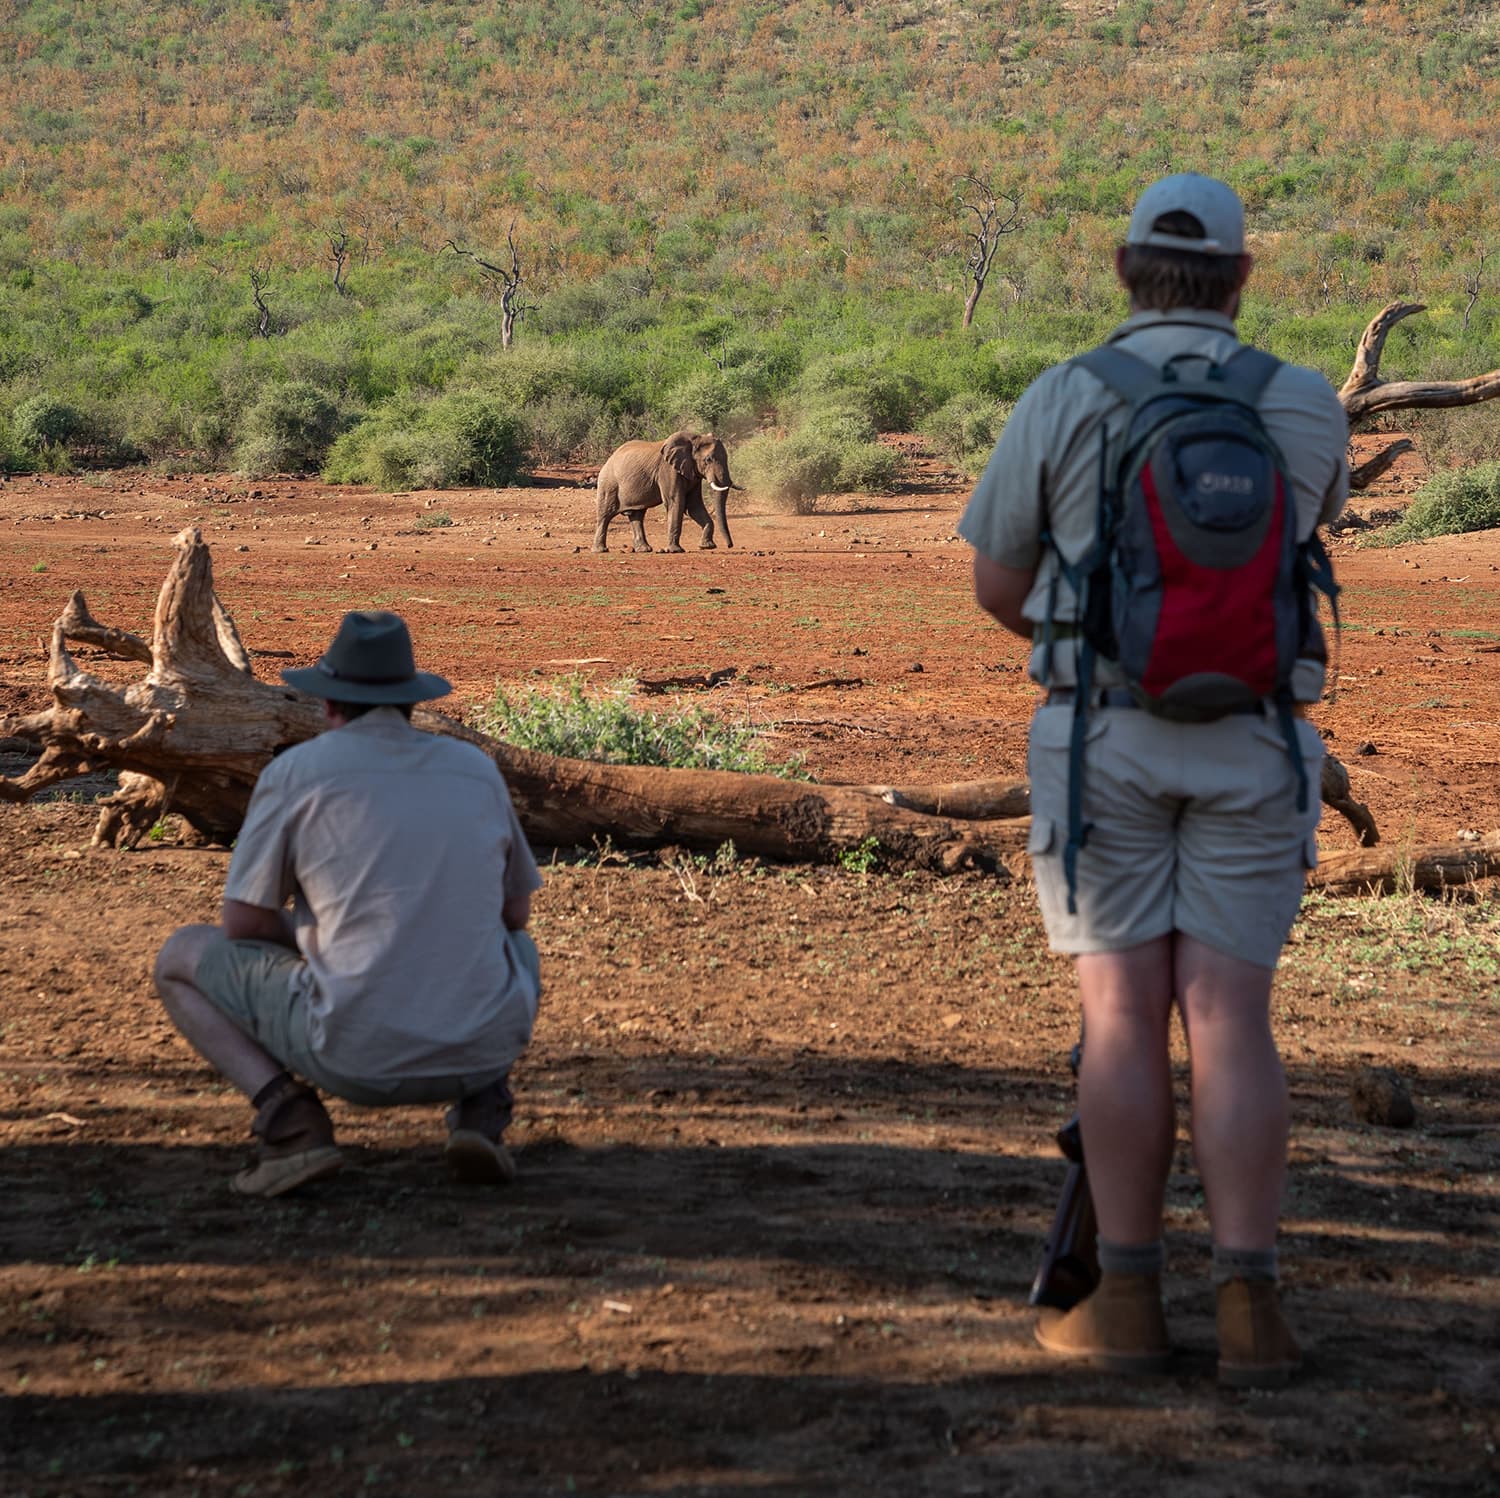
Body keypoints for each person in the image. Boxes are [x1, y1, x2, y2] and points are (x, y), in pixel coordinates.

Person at [959, 174, 1348, 1387]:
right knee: (1233, 1016)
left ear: (1126, 271)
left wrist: (1090, 639)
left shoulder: (1066, 394)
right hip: (1258, 737)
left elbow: (994, 586)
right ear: (1240, 280)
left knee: (1121, 1015)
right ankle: (1250, 1309)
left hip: (1101, 742)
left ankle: (1124, 1299)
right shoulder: (1301, 405)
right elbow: (1292, 561)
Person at [154, 610, 543, 1197]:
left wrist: (318, 939)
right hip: (479, 1046)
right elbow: (514, 916)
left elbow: (243, 922)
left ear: (329, 704)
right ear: (412, 702)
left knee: (181, 957)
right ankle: (482, 1111)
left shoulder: (296, 772)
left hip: (349, 1053)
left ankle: (291, 1124)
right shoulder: (474, 768)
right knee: (518, 948)